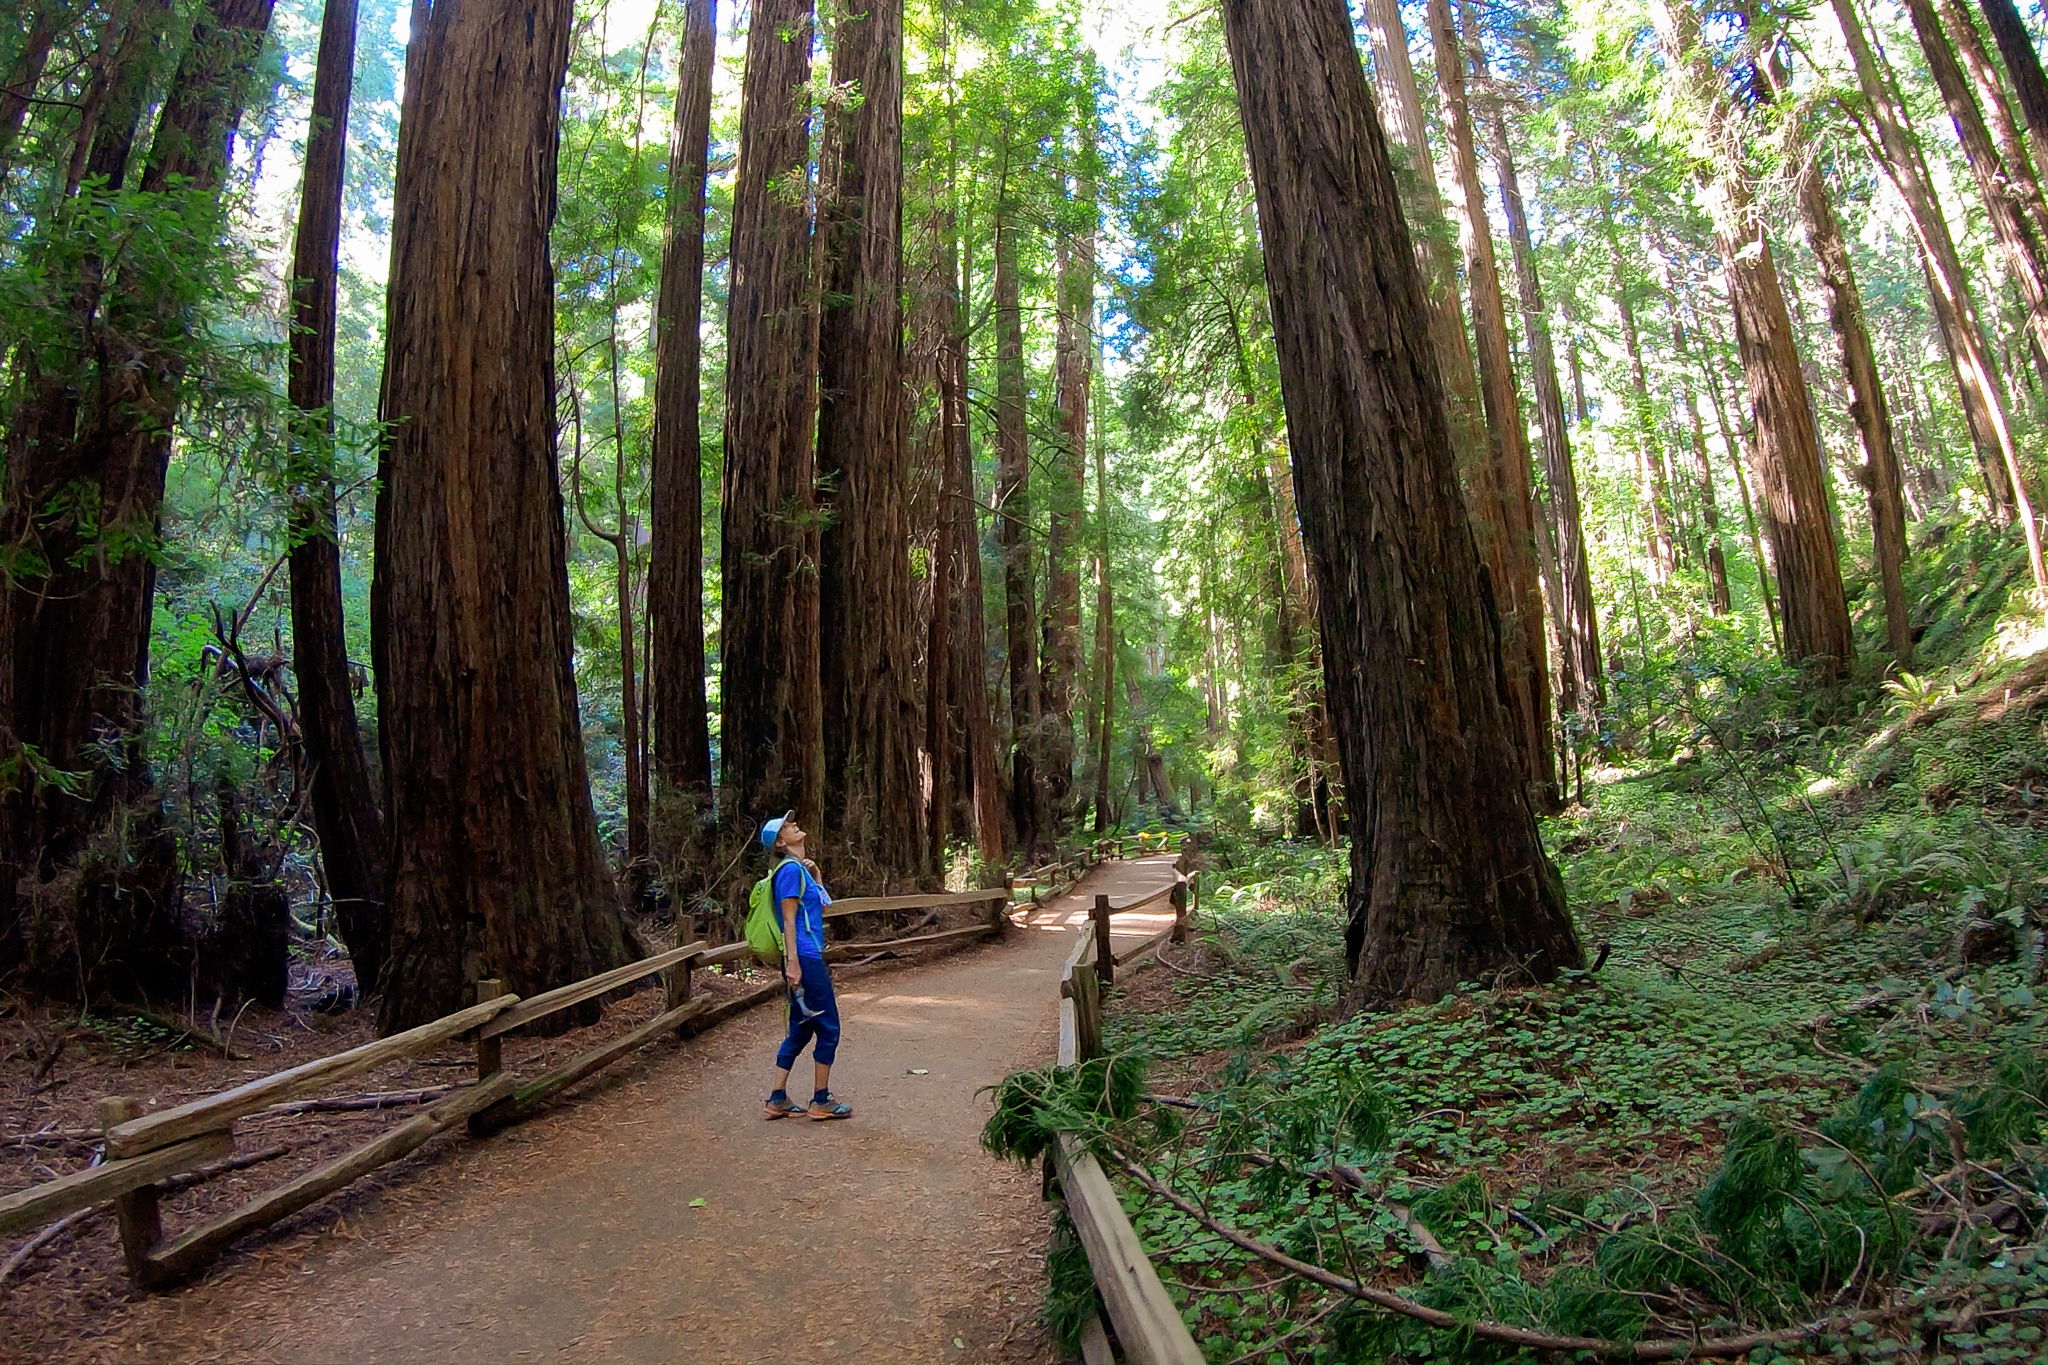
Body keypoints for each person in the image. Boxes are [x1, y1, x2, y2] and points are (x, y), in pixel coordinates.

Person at [760, 811, 853, 1121]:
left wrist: (817, 877)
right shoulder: (788, 871)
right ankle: (821, 1100)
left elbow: (822, 907)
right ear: (781, 841)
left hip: (805, 956)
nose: (794, 824)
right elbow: (788, 921)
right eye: (787, 826)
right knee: (829, 1029)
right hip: (805, 959)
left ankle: (777, 1099)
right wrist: (794, 964)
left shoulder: (799, 870)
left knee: (799, 1032)